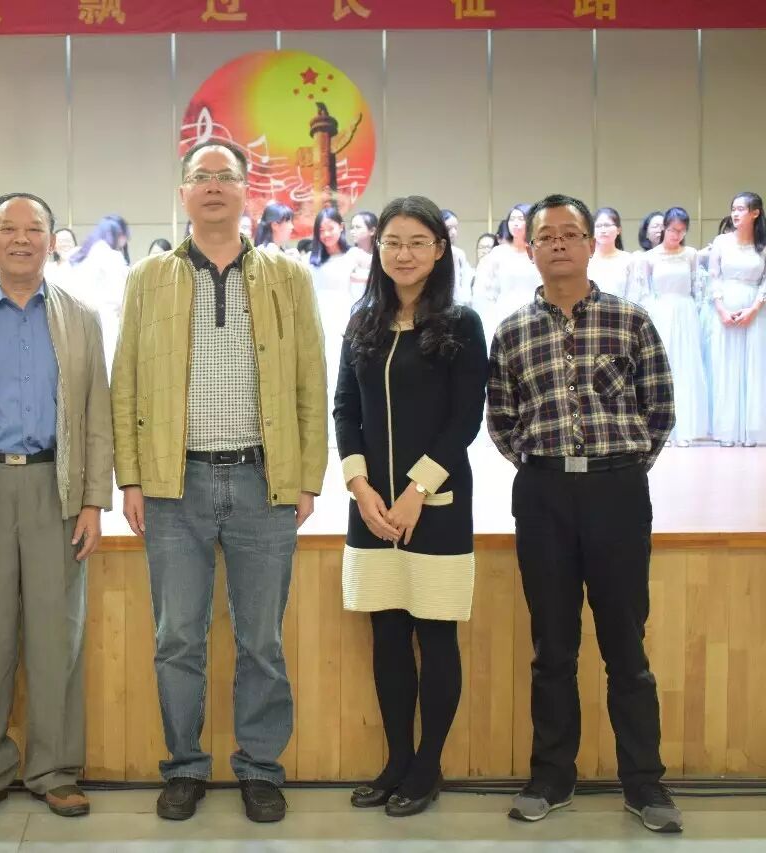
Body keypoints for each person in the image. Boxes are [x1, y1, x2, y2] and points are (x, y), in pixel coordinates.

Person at [112, 140, 327, 824]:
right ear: (183, 192)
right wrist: (131, 477)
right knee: (178, 637)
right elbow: (125, 381)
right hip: (175, 486)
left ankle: (260, 767)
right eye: (200, 177)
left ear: (245, 190)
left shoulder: (288, 276)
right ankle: (184, 766)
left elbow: (311, 378)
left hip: (264, 481)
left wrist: (307, 477)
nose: (212, 186)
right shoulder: (149, 278)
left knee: (261, 639)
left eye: (224, 176)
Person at [488, 194, 681, 834]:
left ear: (588, 244)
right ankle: (552, 776)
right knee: (552, 647)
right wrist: (548, 469)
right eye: (547, 236)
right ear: (533, 249)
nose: (559, 245)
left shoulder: (630, 320)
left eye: (570, 233)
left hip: (616, 492)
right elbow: (501, 420)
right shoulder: (512, 331)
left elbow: (659, 409)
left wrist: (617, 470)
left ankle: (644, 783)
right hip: (543, 496)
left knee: (626, 646)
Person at [0, 192, 114, 822]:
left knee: (58, 640)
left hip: (57, 490)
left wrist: (94, 501)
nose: (22, 239)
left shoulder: (81, 320)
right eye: (9, 228)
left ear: (52, 241)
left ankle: (55, 770)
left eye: (35, 229)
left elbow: (98, 415)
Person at [335, 196, 487, 818]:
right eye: (393, 242)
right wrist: (360, 486)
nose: (404, 254)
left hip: (437, 504)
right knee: (388, 635)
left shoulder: (460, 324)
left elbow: (465, 419)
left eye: (418, 242)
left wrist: (416, 491)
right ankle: (397, 759)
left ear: (440, 250)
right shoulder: (362, 324)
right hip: (371, 509)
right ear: (378, 249)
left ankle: (427, 766)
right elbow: (346, 410)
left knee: (435, 633)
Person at [635, 207, 708, 446]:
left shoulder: (691, 254)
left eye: (682, 231)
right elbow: (645, 292)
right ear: (665, 228)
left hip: (686, 312)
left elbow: (698, 289)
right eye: (673, 229)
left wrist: (696, 313)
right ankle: (661, 428)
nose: (677, 235)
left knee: (686, 369)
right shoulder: (649, 257)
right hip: (661, 313)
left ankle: (685, 428)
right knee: (662, 370)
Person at [707, 191, 766, 447]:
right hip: (725, 306)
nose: (735, 213)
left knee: (754, 366)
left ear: (755, 213)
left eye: (741, 209)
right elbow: (713, 277)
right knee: (726, 365)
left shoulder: (762, 244)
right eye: (733, 209)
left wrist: (754, 308)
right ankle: (727, 430)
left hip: (755, 308)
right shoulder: (721, 242)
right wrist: (721, 308)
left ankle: (752, 430)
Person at [309, 206, 353, 448]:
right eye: (321, 230)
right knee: (321, 374)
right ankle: (323, 430)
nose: (326, 234)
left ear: (341, 227)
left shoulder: (353, 256)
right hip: (319, 320)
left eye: (330, 228)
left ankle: (343, 429)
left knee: (341, 373)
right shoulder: (312, 260)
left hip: (344, 319)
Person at [475, 203, 541, 344]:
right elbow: (485, 290)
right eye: (512, 219)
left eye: (521, 219)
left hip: (534, 315)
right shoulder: (498, 253)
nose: (515, 223)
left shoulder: (539, 252)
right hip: (504, 315)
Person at [71, 214, 130, 367]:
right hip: (108, 321)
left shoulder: (81, 256)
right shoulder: (113, 257)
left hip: (79, 323)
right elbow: (121, 297)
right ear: (118, 234)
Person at [586, 207, 634, 300]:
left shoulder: (629, 260)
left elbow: (634, 294)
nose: (603, 230)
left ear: (619, 230)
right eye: (598, 226)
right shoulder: (584, 260)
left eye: (607, 225)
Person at [440, 208, 474, 304]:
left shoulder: (459, 253)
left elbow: (465, 281)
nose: (453, 233)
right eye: (449, 228)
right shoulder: (431, 252)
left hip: (458, 303)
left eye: (455, 228)